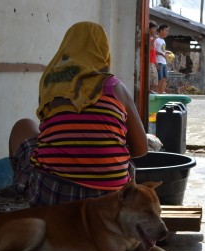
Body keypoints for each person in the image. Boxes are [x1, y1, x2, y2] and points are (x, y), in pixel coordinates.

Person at [8, 21, 148, 206]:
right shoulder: (115, 87)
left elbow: (49, 133)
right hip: (112, 200)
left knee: (23, 126)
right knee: (126, 165)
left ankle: (28, 192)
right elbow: (141, 149)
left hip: (51, 196)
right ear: (103, 51)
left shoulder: (49, 84)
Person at [154, 23, 171, 93]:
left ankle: (162, 92)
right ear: (161, 30)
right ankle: (158, 92)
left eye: (167, 31)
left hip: (164, 62)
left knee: (165, 78)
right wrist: (161, 54)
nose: (167, 32)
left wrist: (167, 52)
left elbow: (162, 50)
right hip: (159, 61)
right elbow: (153, 51)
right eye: (166, 30)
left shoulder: (163, 40)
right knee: (160, 78)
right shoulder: (156, 40)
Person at [148, 21, 160, 93]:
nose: (155, 31)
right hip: (149, 62)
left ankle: (151, 91)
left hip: (152, 62)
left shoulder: (153, 39)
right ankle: (149, 91)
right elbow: (148, 49)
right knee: (150, 79)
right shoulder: (150, 39)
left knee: (154, 79)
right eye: (153, 28)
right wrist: (153, 40)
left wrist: (155, 62)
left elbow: (153, 53)